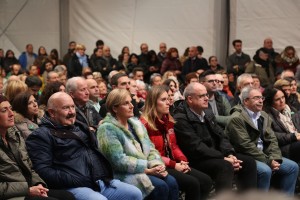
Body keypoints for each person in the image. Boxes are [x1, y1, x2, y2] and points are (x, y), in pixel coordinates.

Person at [26, 92, 142, 200]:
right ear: (52, 112)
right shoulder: (41, 135)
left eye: (72, 107)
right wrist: (76, 179)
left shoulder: (80, 127)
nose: (72, 112)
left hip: (100, 181)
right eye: (66, 108)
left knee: (134, 193)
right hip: (73, 186)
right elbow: (42, 171)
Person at [173, 82, 257, 193]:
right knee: (225, 166)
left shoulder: (207, 112)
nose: (206, 98)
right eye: (201, 96)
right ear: (190, 99)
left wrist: (229, 153)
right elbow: (196, 147)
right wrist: (223, 158)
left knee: (249, 161)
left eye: (206, 95)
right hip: (196, 159)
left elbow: (221, 136)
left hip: (214, 154)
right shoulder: (181, 118)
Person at [97, 88, 179, 200]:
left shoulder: (136, 123)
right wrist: (147, 169)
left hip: (147, 168)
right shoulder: (107, 129)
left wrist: (156, 165)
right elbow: (118, 161)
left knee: (172, 182)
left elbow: (151, 148)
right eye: (126, 103)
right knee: (160, 187)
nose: (131, 106)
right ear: (115, 108)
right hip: (124, 174)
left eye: (131, 102)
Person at [140, 86, 213, 200]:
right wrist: (174, 165)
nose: (168, 103)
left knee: (206, 181)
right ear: (153, 103)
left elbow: (173, 146)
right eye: (163, 100)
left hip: (172, 163)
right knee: (192, 183)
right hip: (157, 165)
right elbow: (150, 154)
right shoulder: (144, 125)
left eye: (168, 99)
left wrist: (182, 160)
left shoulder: (168, 120)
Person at [226, 87, 298, 195]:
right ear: (246, 101)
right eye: (256, 98)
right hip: (247, 156)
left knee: (292, 167)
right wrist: (268, 161)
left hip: (265, 154)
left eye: (261, 97)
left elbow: (272, 139)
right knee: (265, 170)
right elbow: (246, 145)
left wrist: (275, 158)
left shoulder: (263, 115)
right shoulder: (236, 118)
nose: (260, 101)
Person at [0, 95, 75, 200]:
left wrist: (39, 184)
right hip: (12, 195)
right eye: (4, 110)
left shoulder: (14, 134)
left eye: (11, 109)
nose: (11, 114)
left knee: (68, 196)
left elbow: (29, 167)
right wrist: (27, 189)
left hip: (27, 188)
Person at [262, 87, 300, 163]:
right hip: (283, 147)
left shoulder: (291, 109)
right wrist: (293, 136)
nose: (282, 101)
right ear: (270, 102)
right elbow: (272, 135)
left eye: (283, 97)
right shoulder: (266, 116)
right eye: (277, 99)